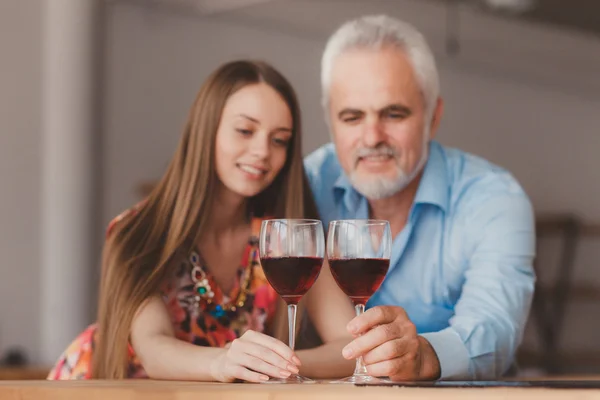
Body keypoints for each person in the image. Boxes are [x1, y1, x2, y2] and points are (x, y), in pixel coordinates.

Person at [48, 60, 356, 382]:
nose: (262, 151)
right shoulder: (138, 231)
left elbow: (349, 346)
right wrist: (226, 362)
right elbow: (153, 350)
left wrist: (273, 364)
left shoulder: (286, 239)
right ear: (206, 130)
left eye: (279, 140)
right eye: (245, 130)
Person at [304, 15, 536, 380]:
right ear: (330, 122)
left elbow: (497, 328)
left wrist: (424, 355)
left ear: (433, 117)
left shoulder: (493, 198)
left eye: (393, 113)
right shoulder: (305, 185)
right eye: (351, 117)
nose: (371, 137)